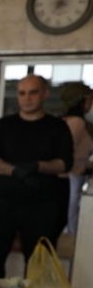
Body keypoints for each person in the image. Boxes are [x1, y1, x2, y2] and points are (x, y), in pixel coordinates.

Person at [0, 74, 73, 279]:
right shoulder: (4, 125)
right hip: (4, 203)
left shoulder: (57, 127)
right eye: (22, 93)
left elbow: (65, 163)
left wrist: (37, 166)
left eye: (33, 92)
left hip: (42, 206)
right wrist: (14, 170)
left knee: (39, 264)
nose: (27, 98)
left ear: (45, 94)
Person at [59, 82, 93, 234]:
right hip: (71, 176)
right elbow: (66, 151)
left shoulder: (70, 121)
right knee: (71, 216)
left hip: (73, 175)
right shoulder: (76, 122)